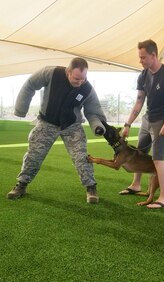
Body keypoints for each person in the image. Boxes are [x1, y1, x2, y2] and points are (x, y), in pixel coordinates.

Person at [7, 57, 106, 204]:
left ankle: (91, 188)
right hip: (47, 123)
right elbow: (30, 84)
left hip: (72, 126)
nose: (80, 82)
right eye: (76, 78)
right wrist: (21, 110)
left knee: (81, 158)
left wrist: (98, 126)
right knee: (34, 155)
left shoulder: (87, 89)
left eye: (83, 79)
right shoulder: (51, 73)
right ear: (68, 72)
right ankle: (21, 185)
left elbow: (93, 112)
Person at [119, 39, 164, 209]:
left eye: (143, 57)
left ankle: (163, 198)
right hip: (147, 120)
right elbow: (139, 102)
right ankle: (136, 184)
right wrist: (128, 124)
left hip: (161, 121)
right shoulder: (143, 75)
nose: (140, 61)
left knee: (157, 159)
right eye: (140, 57)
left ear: (153, 55)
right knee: (139, 152)